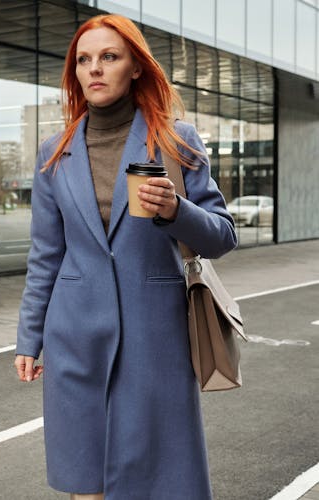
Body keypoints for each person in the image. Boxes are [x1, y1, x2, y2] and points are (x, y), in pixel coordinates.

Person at [13, 14, 236, 500]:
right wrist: (28, 337)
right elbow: (46, 255)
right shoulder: (55, 152)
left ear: (136, 67)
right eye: (84, 60)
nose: (94, 69)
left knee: (159, 479)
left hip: (154, 336)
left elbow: (222, 235)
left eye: (109, 57)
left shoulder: (176, 139)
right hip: (74, 337)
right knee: (84, 478)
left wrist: (176, 210)